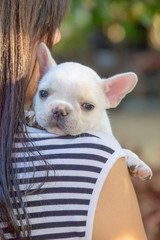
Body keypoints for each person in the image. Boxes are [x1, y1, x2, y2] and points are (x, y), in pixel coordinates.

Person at [0, 1, 147, 239]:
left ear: (113, 96)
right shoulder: (99, 159)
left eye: (86, 106)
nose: (60, 112)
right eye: (45, 94)